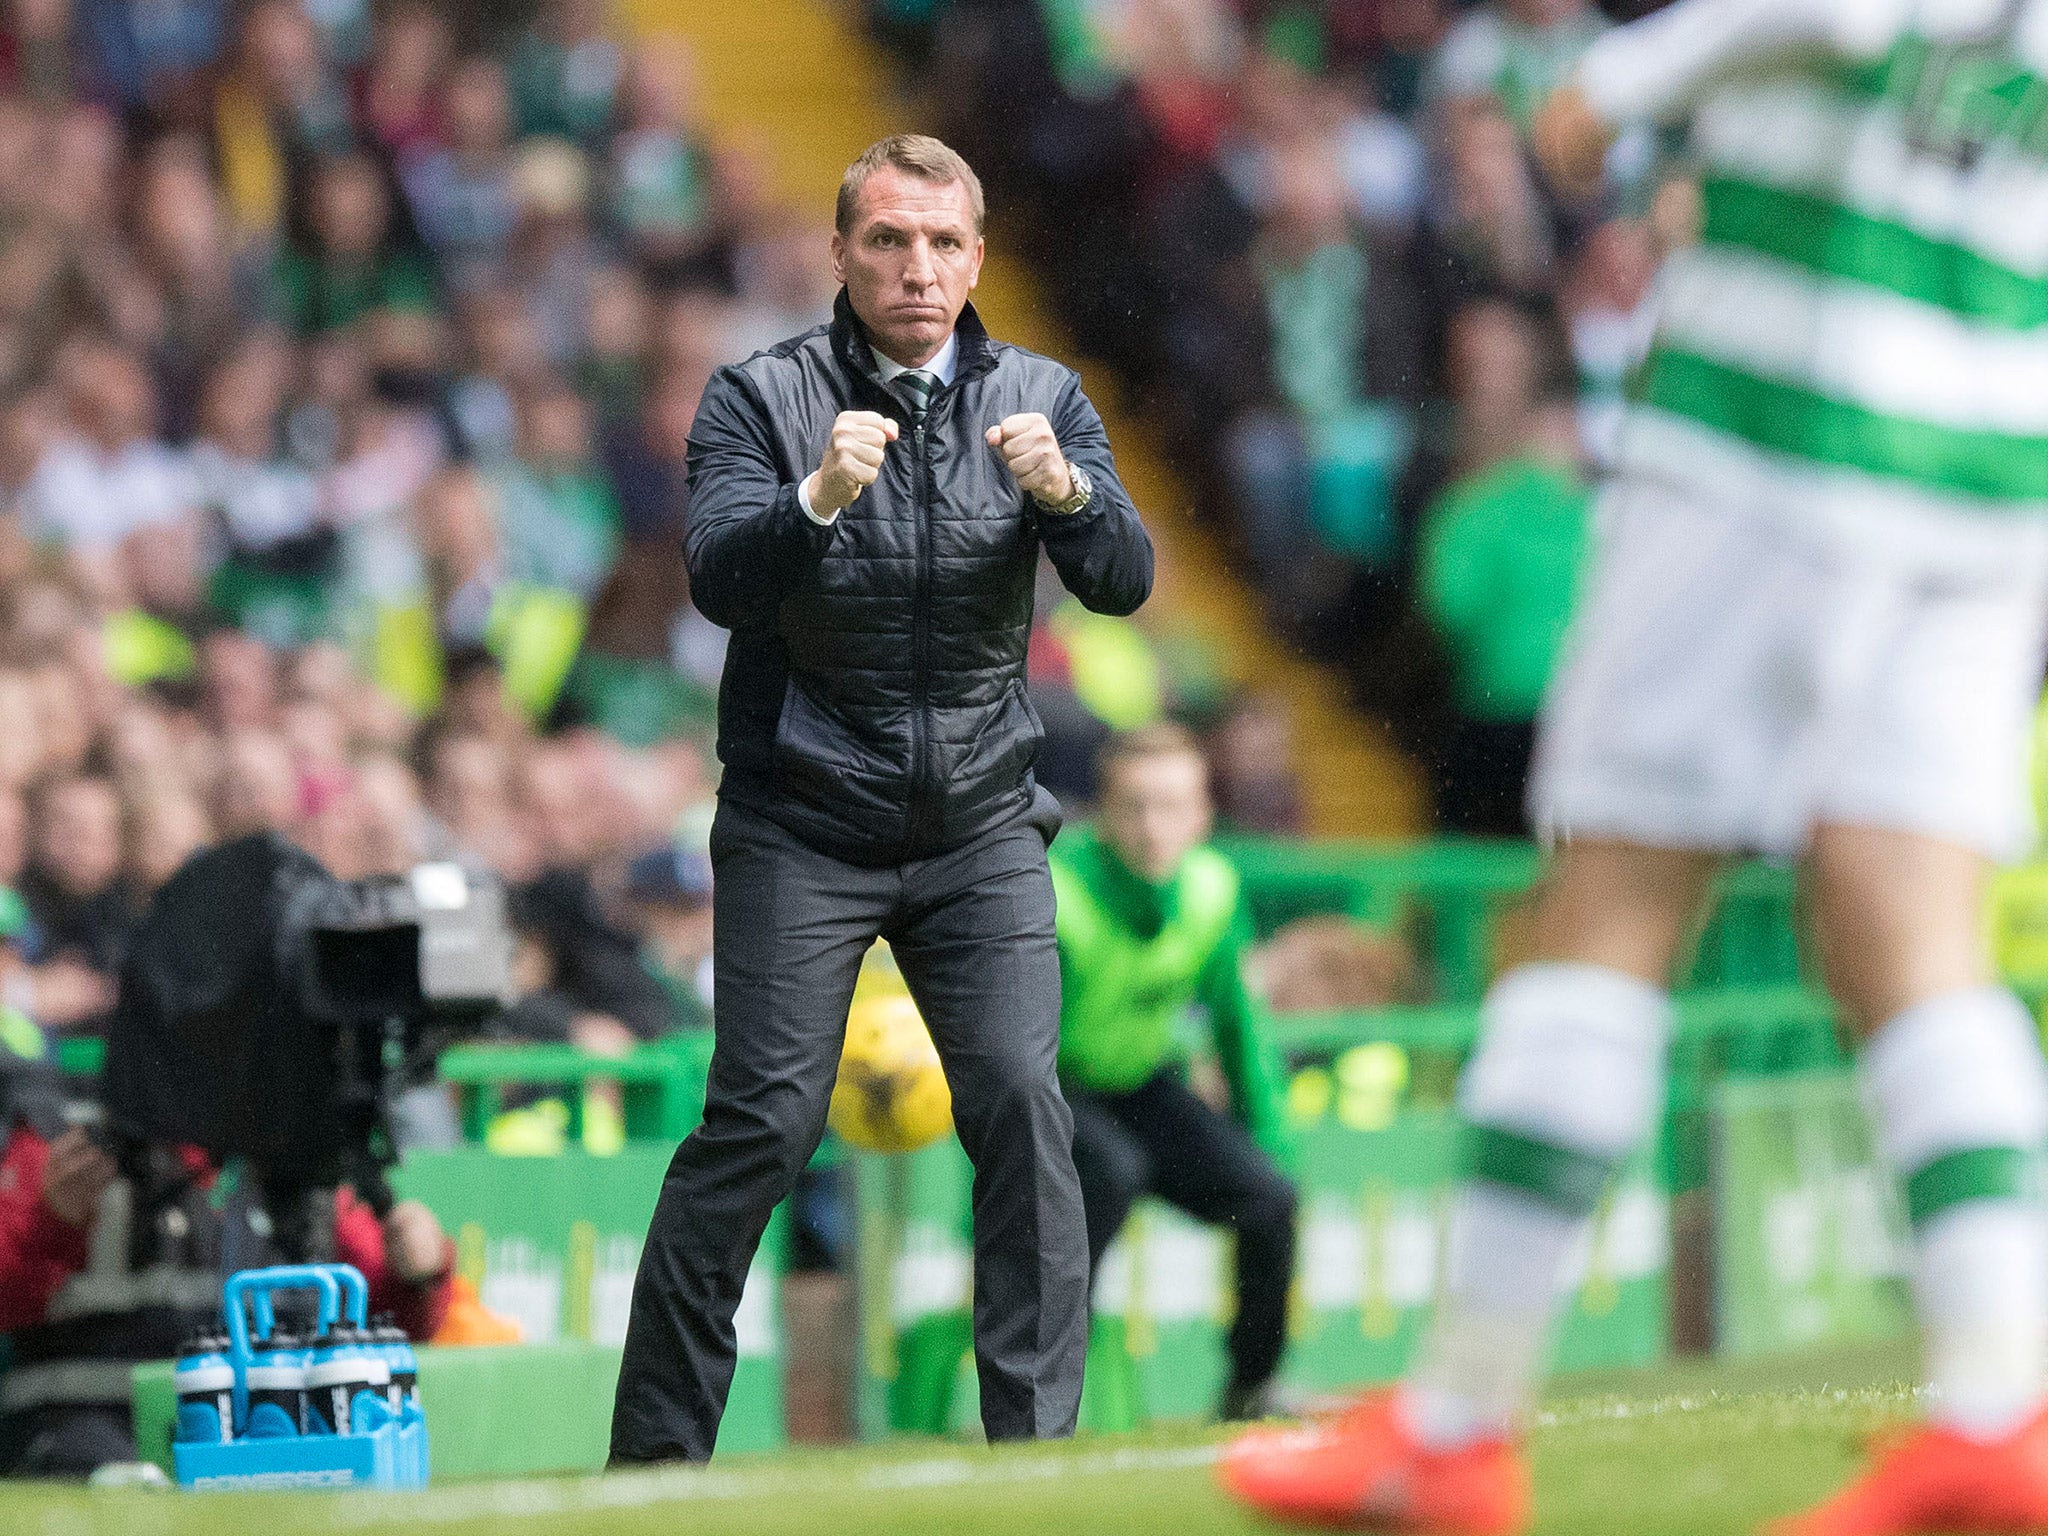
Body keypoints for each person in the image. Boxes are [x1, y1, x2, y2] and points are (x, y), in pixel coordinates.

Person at [1223, 4, 2048, 1534]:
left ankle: (1457, 1423)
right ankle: (2001, 1400)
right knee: (1915, 928)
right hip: (1996, 473)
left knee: (1611, 894)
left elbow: (1618, 106)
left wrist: (1624, 102)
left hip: (1770, 441)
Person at [609, 133, 1153, 1465]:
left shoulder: (1040, 397)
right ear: (843, 254)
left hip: (978, 826)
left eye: (944, 243)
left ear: (978, 258)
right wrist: (814, 499)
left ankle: (1033, 1452)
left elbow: (1126, 577)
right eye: (889, 241)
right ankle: (653, 1465)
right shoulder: (760, 398)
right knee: (764, 1124)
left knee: (1025, 1102)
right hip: (803, 821)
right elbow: (719, 580)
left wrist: (1069, 494)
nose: (918, 267)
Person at [0, 1020, 455, 1477]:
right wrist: (48, 1218)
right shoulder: (62, 1142)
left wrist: (419, 1273)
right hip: (83, 1444)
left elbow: (380, 1322)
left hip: (263, 1444)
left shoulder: (302, 1162)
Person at [1052, 724, 1297, 1421]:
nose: (1152, 827)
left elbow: (1239, 1028)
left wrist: (1271, 1140)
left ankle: (1251, 1388)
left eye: (1170, 806)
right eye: (1133, 806)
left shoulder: (1214, 889)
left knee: (1271, 1200)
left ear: (1202, 817)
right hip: (1056, 1094)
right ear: (1103, 815)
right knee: (1110, 1173)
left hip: (1145, 1088)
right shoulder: (1056, 891)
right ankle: (1050, 1395)